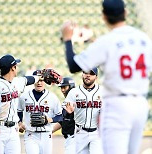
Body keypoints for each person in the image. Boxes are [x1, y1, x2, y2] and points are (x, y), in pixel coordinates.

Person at [61, 0, 152, 154]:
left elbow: (73, 65)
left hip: (118, 105)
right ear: (126, 13)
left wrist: (68, 39)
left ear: (104, 16)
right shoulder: (144, 39)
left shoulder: (106, 41)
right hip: (140, 105)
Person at [0, 54, 40, 154]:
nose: (16, 68)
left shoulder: (16, 82)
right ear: (12, 68)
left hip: (13, 130)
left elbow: (29, 80)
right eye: (15, 66)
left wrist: (41, 77)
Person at [17, 70, 62, 154]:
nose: (39, 83)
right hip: (30, 134)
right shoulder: (24, 96)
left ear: (45, 81)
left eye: (41, 80)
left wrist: (48, 120)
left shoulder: (52, 97)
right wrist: (19, 123)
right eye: (37, 80)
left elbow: (60, 116)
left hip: (46, 135)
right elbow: (18, 111)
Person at [63, 68, 103, 154]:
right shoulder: (74, 92)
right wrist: (68, 113)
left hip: (97, 133)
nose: (88, 75)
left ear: (96, 77)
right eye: (85, 73)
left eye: (91, 74)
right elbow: (65, 111)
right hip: (80, 132)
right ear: (82, 75)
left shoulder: (102, 92)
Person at [52, 77, 76, 154]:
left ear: (71, 86)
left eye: (64, 87)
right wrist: (49, 131)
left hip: (75, 138)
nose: (62, 90)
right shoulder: (66, 102)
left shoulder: (77, 100)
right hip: (69, 138)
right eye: (61, 87)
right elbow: (62, 121)